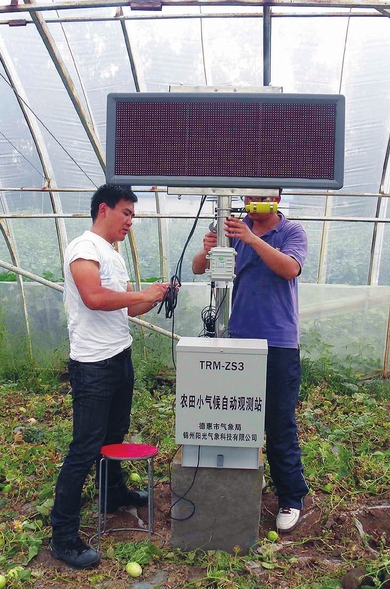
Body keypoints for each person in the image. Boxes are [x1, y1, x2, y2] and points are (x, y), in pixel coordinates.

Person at [50, 184, 171, 568]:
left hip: (119, 358)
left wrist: (152, 298)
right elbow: (94, 298)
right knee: (84, 448)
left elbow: (123, 312)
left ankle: (112, 494)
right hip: (93, 366)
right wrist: (141, 294)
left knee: (113, 436)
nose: (129, 222)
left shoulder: (112, 256)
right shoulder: (84, 249)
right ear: (104, 209)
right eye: (125, 213)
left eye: (133, 216)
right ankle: (63, 536)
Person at [191, 192, 309, 533]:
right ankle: (247, 476)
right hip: (239, 339)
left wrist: (252, 239)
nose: (255, 201)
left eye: (263, 196)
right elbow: (200, 267)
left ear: (277, 198)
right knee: (239, 416)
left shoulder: (291, 232)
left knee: (279, 421)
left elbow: (289, 268)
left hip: (279, 343)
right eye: (251, 195)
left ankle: (290, 496)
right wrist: (210, 246)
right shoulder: (236, 231)